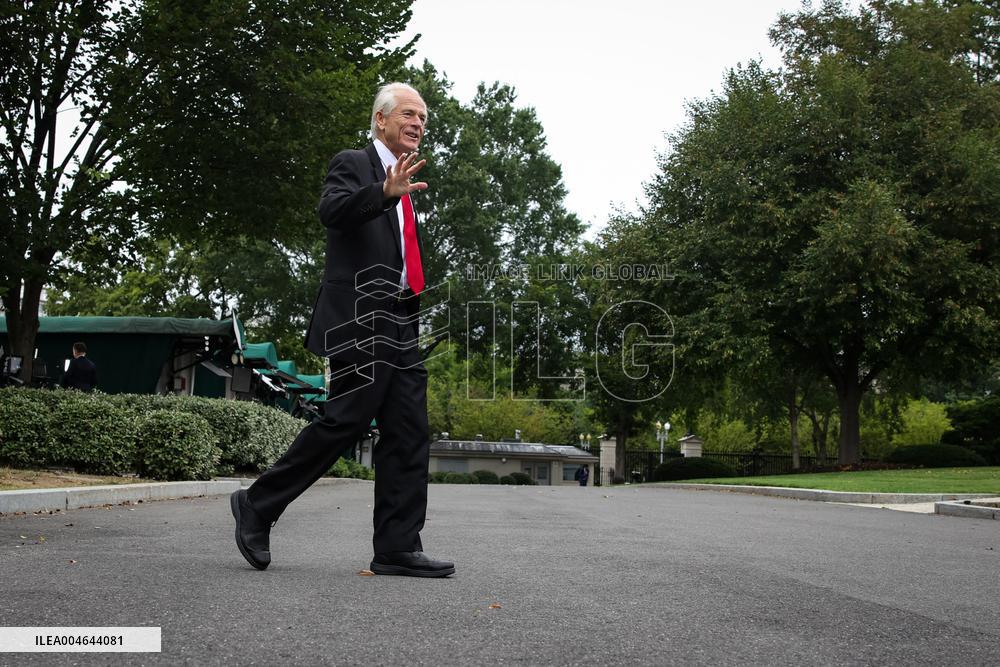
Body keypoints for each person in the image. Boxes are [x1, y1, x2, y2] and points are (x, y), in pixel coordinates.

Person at [230, 82, 454, 578]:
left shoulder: (407, 177)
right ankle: (257, 505)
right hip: (359, 318)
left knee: (409, 430)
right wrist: (382, 192)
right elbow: (332, 212)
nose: (418, 123)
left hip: (400, 319)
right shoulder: (355, 163)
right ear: (380, 119)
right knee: (347, 419)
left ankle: (397, 546)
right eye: (409, 115)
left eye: (423, 117)